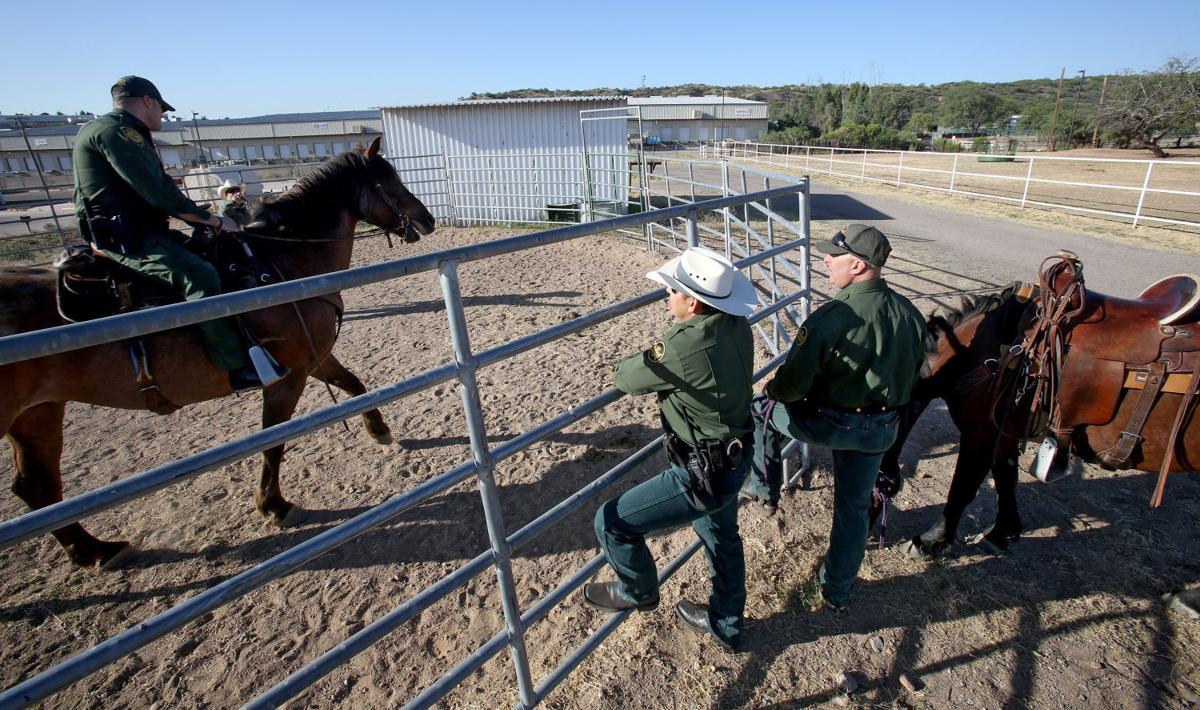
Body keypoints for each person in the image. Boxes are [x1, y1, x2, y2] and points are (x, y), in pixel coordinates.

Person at [583, 246, 759, 653]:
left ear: (692, 301)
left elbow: (625, 376)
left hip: (703, 472)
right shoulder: (736, 324)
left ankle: (637, 589)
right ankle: (726, 623)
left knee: (611, 522)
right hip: (734, 456)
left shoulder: (683, 345)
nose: (667, 296)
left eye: (672, 290)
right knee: (722, 536)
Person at [743, 224, 925, 612]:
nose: (825, 259)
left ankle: (764, 490)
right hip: (881, 430)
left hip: (832, 423)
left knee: (760, 411)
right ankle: (837, 591)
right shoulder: (910, 314)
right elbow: (914, 375)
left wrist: (774, 390)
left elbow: (790, 388)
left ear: (858, 265)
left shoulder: (831, 318)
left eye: (834, 255)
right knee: (853, 509)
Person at [72, 76, 264, 390]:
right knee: (199, 275)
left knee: (214, 256)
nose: (162, 116)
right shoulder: (119, 132)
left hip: (135, 230)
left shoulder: (109, 129)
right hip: (126, 238)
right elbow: (158, 192)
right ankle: (235, 367)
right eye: (161, 109)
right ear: (147, 101)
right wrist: (213, 221)